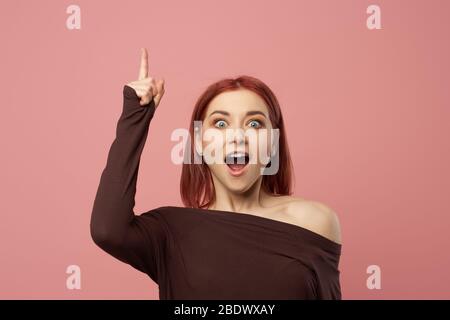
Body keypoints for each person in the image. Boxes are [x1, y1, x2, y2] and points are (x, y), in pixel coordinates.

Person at [90, 47, 342, 299]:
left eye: (254, 123)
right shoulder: (171, 233)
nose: (237, 136)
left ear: (273, 143)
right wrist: (136, 115)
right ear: (198, 142)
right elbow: (107, 230)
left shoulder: (315, 221)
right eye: (220, 123)